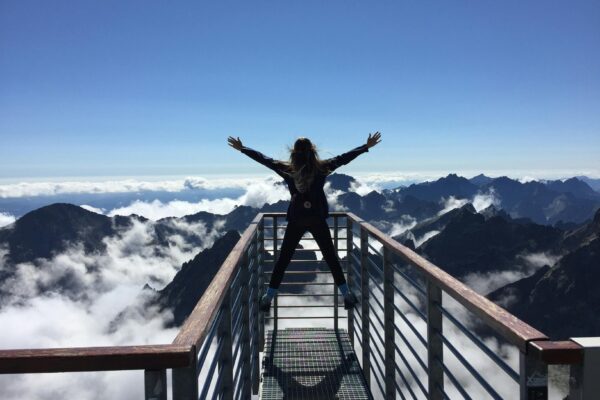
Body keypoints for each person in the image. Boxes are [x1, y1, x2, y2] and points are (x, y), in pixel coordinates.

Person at [227, 132, 382, 312]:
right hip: (317, 219)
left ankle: (268, 297)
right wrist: (365, 146)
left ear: (294, 153)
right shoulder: (322, 168)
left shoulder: (288, 170)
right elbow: (344, 158)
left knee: (283, 259)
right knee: (331, 258)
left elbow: (264, 160)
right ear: (313, 151)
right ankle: (346, 294)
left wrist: (243, 149)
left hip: (296, 220)